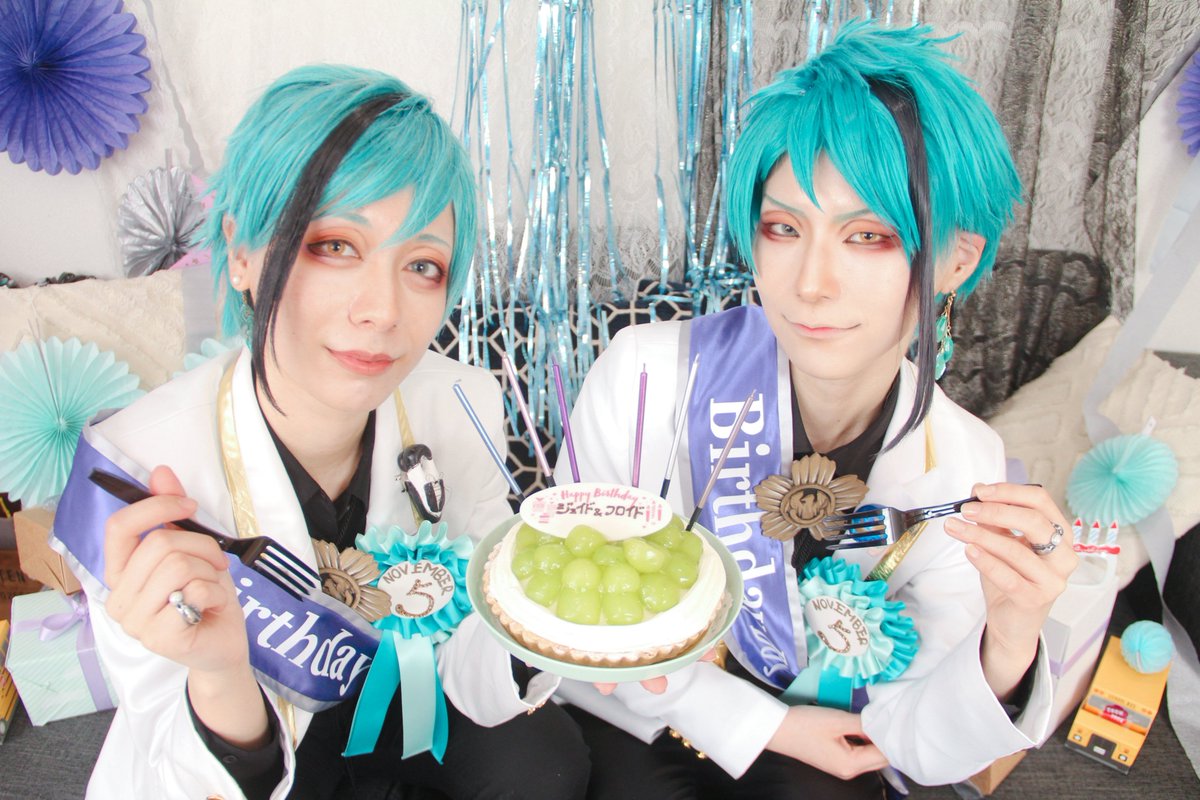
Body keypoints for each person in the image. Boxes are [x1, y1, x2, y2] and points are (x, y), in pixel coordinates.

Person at [553, 22, 1078, 799]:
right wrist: (762, 724)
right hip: (645, 711)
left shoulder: (965, 467)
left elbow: (914, 739)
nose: (811, 283)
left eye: (868, 235)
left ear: (955, 260)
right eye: (784, 228)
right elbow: (575, 610)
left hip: (828, 747)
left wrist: (1009, 642)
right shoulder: (645, 378)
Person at [52, 66, 587, 800]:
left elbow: (475, 639)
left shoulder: (462, 400)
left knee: (543, 760)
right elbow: (169, 752)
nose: (382, 310)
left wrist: (554, 618)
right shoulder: (131, 471)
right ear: (241, 253)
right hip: (240, 745)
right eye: (335, 246)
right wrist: (218, 672)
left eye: (422, 265)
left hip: (411, 704)